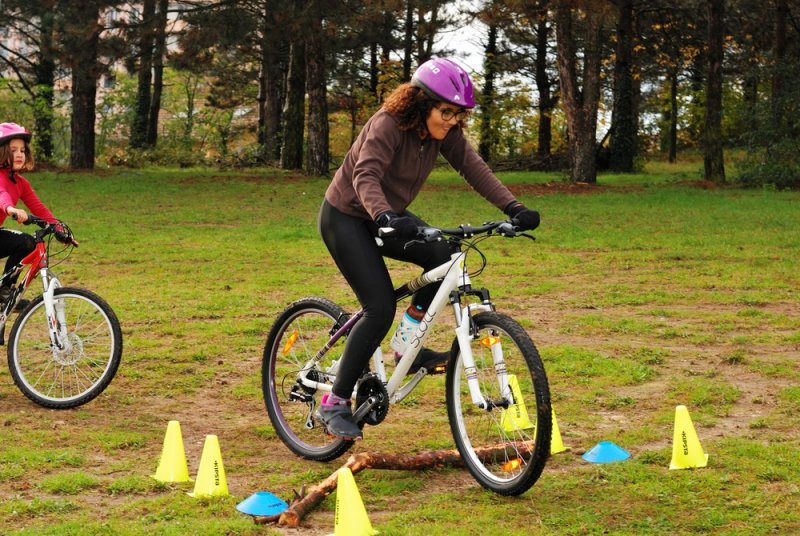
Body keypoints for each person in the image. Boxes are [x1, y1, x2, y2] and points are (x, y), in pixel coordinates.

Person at [316, 58, 541, 440]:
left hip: (390, 215)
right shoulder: (387, 124)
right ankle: (335, 401)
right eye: (447, 111)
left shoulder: (443, 134)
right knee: (379, 307)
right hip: (347, 215)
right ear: (421, 103)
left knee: (443, 257)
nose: (452, 120)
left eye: (458, 114)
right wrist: (384, 214)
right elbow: (364, 174)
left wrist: (513, 207)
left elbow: (474, 169)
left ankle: (407, 346)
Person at [0, 122, 68, 309]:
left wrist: (59, 228)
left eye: (22, 150)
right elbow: (1, 195)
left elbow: (40, 209)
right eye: (13, 150)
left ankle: (4, 293)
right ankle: (3, 292)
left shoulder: (21, 183)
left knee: (28, 243)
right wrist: (11, 210)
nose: (20, 154)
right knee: (25, 242)